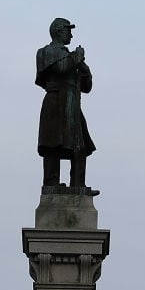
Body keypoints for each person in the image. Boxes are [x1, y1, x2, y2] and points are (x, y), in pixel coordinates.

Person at [36, 18, 97, 193]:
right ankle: (51, 184)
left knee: (80, 147)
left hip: (72, 103)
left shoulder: (70, 56)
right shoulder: (46, 52)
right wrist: (75, 59)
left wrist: (85, 70)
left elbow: (87, 87)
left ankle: (78, 185)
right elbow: (61, 69)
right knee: (53, 144)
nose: (71, 34)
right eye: (68, 30)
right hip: (55, 102)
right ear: (58, 31)